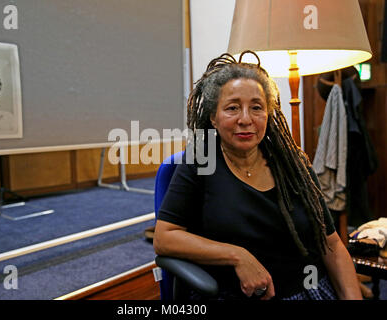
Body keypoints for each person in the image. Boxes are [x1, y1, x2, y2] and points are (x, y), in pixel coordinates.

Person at [153, 52, 362, 300]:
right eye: (232, 108)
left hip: (311, 290)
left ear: (268, 113)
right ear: (213, 117)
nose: (245, 119)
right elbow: (165, 238)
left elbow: (332, 245)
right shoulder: (201, 158)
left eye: (256, 107)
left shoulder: (293, 162)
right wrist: (238, 255)